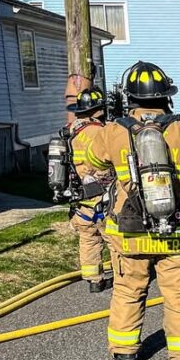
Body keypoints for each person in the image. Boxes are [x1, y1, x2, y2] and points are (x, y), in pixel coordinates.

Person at [86, 61, 180, 360]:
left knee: (128, 289)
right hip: (174, 231)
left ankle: (125, 352)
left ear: (131, 98)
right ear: (166, 96)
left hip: (128, 231)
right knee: (178, 292)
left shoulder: (113, 131)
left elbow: (92, 158)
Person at [66, 87, 113, 293]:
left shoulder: (72, 132)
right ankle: (125, 277)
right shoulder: (99, 132)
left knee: (88, 238)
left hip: (81, 199)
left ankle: (94, 279)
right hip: (103, 196)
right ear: (97, 110)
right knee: (114, 238)